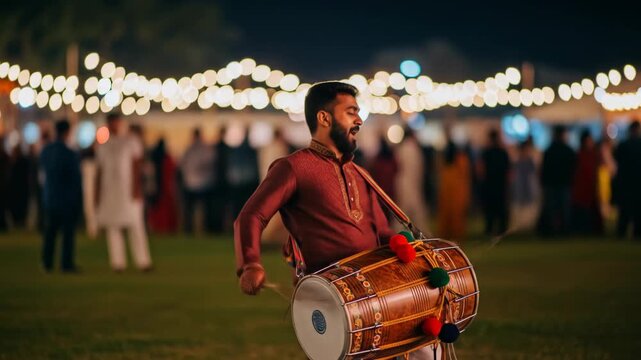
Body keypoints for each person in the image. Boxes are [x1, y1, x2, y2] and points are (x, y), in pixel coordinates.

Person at [96, 113, 152, 272]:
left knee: (136, 226)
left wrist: (136, 189)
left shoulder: (131, 141)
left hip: (128, 190)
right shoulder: (104, 145)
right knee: (113, 227)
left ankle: (143, 261)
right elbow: (99, 171)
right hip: (110, 191)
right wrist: (97, 194)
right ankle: (118, 263)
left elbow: (137, 166)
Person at [39, 119, 81, 272]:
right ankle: (66, 263)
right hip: (66, 199)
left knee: (50, 233)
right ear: (67, 132)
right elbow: (75, 179)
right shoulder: (69, 153)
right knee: (67, 234)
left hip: (50, 197)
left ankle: (47, 262)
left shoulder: (46, 151)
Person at [538, 125, 576, 237]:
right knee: (564, 208)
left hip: (552, 183)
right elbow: (573, 167)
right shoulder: (567, 150)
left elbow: (544, 168)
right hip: (563, 183)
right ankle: (564, 230)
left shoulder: (549, 150)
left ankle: (552, 230)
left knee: (552, 208)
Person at [179, 128, 215, 234]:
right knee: (204, 210)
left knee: (191, 211)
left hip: (192, 184)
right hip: (204, 184)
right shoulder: (206, 149)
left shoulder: (189, 150)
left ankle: (190, 229)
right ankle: (204, 229)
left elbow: (183, 166)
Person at [395, 128, 430, 233]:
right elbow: (419, 168)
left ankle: (398, 234)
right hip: (411, 182)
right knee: (416, 211)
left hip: (402, 181)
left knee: (401, 212)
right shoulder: (414, 148)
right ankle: (421, 234)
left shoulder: (401, 148)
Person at [478, 129, 510, 236]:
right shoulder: (502, 152)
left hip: (489, 184)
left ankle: (489, 229)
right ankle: (502, 229)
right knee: (500, 207)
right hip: (500, 184)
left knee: (490, 208)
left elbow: (481, 169)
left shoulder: (486, 152)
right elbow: (508, 170)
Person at [437, 138, 471, 240]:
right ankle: (453, 236)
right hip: (456, 193)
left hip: (453, 193)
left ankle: (450, 236)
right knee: (455, 216)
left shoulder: (451, 163)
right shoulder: (460, 160)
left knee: (452, 216)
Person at [613, 120, 641, 239]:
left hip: (625, 181)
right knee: (637, 209)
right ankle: (636, 232)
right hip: (637, 181)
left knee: (625, 209)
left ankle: (622, 231)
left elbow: (617, 158)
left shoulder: (623, 145)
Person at [571, 130, 602, 234]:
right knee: (582, 208)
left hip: (590, 186)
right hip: (582, 186)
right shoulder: (581, 154)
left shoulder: (592, 154)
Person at [147, 138, 178, 233]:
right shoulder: (167, 159)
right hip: (165, 187)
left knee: (157, 208)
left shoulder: (154, 158)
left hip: (156, 187)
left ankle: (158, 226)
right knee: (165, 208)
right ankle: (165, 227)